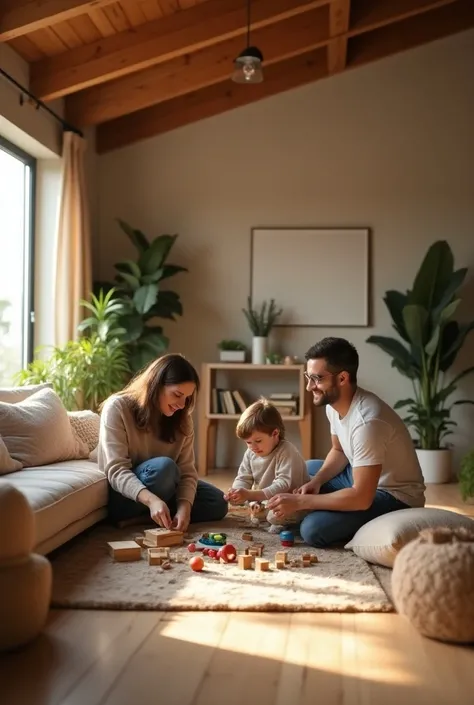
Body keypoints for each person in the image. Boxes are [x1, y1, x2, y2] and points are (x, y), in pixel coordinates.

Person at [267, 337, 426, 547]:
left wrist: (301, 502)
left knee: (313, 530)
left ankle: (322, 516)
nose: (308, 387)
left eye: (316, 379)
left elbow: (361, 497)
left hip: (393, 495)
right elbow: (339, 450)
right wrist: (317, 482)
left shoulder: (367, 422)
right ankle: (324, 505)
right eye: (308, 377)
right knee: (306, 470)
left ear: (342, 378)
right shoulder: (332, 405)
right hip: (360, 474)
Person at [98, 353, 228, 531]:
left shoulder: (182, 419)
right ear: (155, 386)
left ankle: (147, 517)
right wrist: (152, 500)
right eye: (177, 395)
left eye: (187, 398)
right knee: (165, 468)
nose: (182, 404)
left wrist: (185, 509)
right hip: (127, 493)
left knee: (218, 502)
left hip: (166, 484)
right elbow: (116, 471)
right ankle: (151, 510)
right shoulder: (117, 407)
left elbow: (188, 472)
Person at [224, 398, 309, 532]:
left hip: (291, 500)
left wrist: (250, 495)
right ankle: (270, 516)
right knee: (257, 512)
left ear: (275, 433)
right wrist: (236, 492)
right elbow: (243, 477)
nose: (253, 447)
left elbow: (283, 484)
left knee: (273, 517)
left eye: (258, 440)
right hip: (267, 499)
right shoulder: (250, 452)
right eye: (248, 442)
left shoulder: (287, 451)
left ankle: (289, 522)